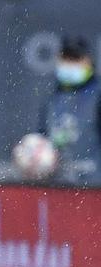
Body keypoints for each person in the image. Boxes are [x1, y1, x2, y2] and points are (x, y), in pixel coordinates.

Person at [41, 35, 100, 186]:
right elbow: (42, 139)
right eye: (66, 59)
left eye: (75, 59)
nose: (70, 64)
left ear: (89, 61)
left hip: (94, 187)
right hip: (58, 186)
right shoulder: (53, 98)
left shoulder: (98, 95)